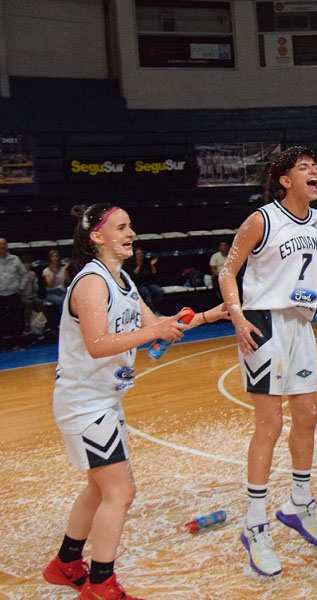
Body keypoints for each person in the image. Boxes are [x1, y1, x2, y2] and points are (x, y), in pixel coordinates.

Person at [42, 203, 227, 600]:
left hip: (104, 401)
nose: (131, 233)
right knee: (120, 493)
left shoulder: (121, 277)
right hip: (85, 403)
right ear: (96, 236)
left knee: (99, 488)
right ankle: (100, 584)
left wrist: (213, 314)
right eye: (122, 227)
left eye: (131, 226)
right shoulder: (92, 282)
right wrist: (153, 332)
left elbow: (156, 324)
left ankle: (65, 563)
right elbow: (97, 344)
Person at [218, 146, 317, 577]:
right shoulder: (262, 219)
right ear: (285, 180)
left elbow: (310, 275)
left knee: (308, 415)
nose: (315, 173)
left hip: (301, 325)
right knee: (270, 425)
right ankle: (254, 524)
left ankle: (298, 504)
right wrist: (236, 315)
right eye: (305, 168)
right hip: (262, 323)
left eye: (316, 167)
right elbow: (227, 271)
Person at [0, 237, 27, 347]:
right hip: (0, 294)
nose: (1, 246)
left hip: (14, 294)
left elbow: (24, 275)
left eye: (3, 244)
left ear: (7, 246)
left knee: (17, 319)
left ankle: (18, 342)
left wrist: (20, 287)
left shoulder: (15, 259)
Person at [124, 246, 164, 315]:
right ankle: (151, 312)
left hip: (149, 283)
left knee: (159, 291)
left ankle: (153, 309)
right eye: (138, 254)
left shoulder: (146, 262)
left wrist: (152, 265)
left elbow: (154, 273)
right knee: (146, 293)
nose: (140, 255)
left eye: (141, 254)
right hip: (138, 284)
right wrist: (139, 266)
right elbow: (133, 274)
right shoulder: (131, 262)